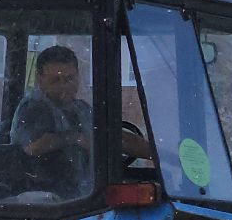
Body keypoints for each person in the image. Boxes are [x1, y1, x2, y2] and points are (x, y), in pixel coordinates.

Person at [8, 45, 151, 195]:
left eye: (69, 78)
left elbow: (112, 136)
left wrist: (159, 155)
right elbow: (32, 147)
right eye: (55, 80)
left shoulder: (81, 109)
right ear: (40, 79)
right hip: (46, 200)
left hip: (83, 193)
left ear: (78, 76)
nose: (63, 86)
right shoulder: (33, 107)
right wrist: (75, 138)